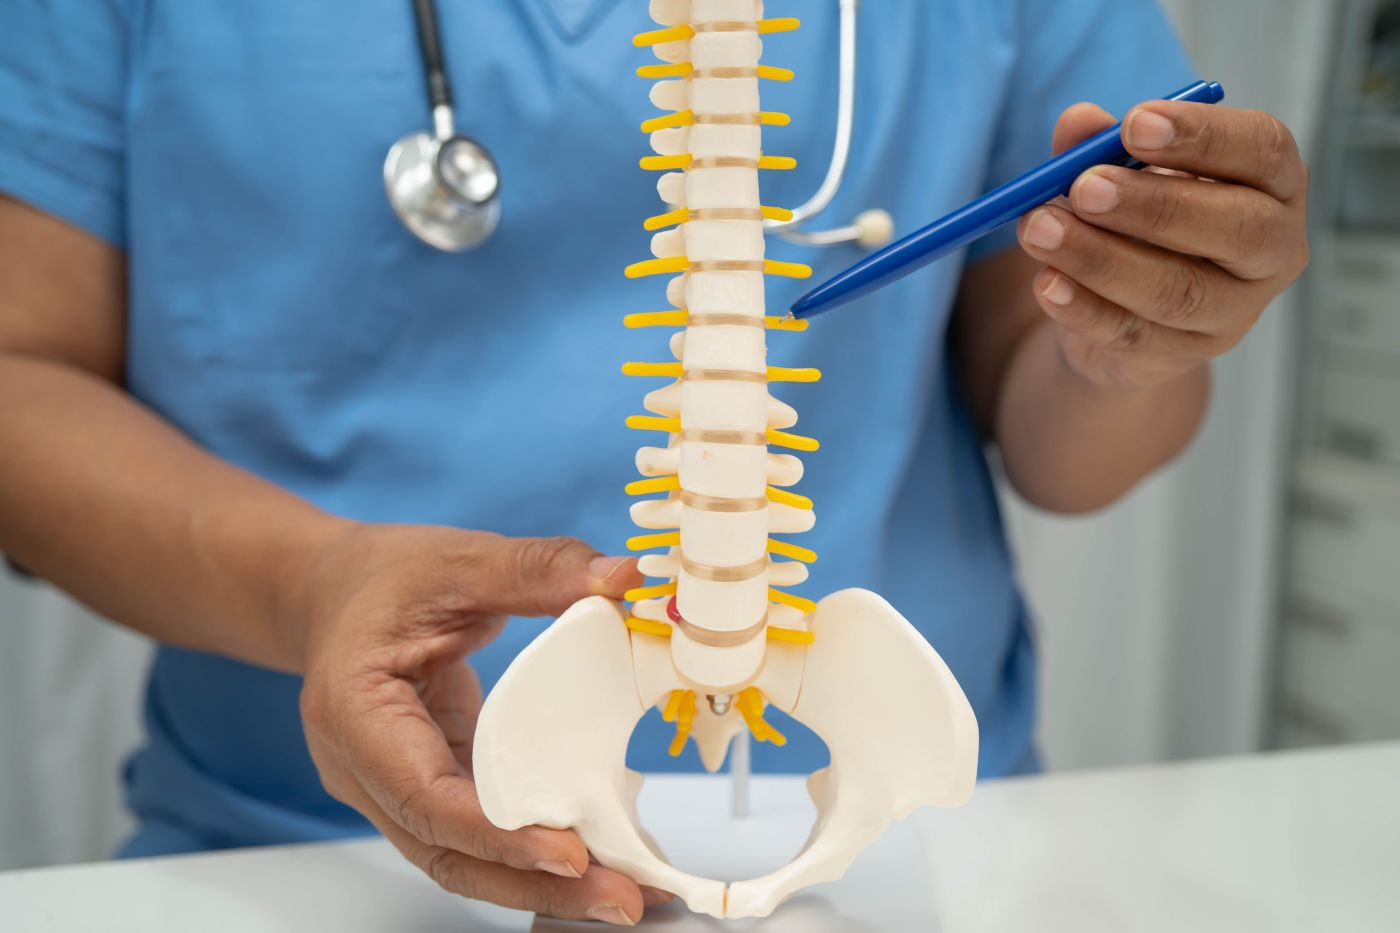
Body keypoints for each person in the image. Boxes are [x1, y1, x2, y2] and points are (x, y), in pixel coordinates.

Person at [0, 0, 1307, 925]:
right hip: (299, 862)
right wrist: (309, 586)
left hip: (915, 866)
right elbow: (21, 373)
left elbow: (1067, 421)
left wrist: (1132, 333)